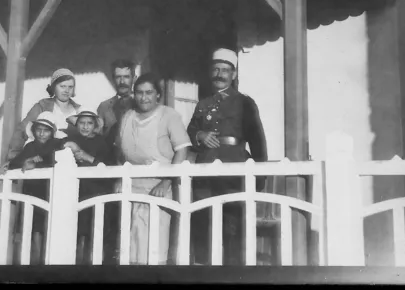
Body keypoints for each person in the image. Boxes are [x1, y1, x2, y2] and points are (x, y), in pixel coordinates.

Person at [186, 48, 268, 266]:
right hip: (205, 172)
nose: (219, 74)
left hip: (234, 171)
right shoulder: (202, 104)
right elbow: (190, 132)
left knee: (233, 228)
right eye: (215, 69)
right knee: (203, 223)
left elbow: (257, 140)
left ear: (233, 75)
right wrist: (200, 135)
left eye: (225, 70)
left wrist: (260, 175)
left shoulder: (244, 102)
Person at [114, 72, 191, 265]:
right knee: (129, 244)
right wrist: (119, 179)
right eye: (139, 93)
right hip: (131, 185)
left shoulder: (169, 115)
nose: (144, 97)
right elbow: (120, 154)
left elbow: (182, 151)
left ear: (158, 94)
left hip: (159, 186)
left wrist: (166, 182)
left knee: (154, 246)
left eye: (149, 92)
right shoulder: (128, 117)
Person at [7, 112, 65, 264]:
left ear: (52, 132)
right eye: (39, 129)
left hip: (49, 191)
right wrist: (27, 161)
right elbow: (16, 163)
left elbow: (55, 161)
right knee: (33, 227)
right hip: (32, 191)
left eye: (46, 130)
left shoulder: (56, 145)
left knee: (48, 226)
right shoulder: (31, 146)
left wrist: (37, 163)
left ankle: (47, 260)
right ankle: (35, 261)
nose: (41, 133)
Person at [63, 109, 117, 264]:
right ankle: (77, 266)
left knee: (96, 230)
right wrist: (71, 145)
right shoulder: (72, 139)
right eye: (81, 123)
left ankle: (94, 267)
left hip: (97, 191)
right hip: (78, 191)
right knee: (78, 231)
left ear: (95, 126)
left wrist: (88, 157)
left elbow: (110, 165)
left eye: (89, 123)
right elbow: (57, 148)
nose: (85, 127)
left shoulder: (102, 142)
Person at [3, 68, 81, 168]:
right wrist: (13, 158)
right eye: (62, 86)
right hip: (45, 160)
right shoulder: (42, 106)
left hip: (72, 161)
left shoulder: (79, 110)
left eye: (70, 87)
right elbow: (22, 130)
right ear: (53, 87)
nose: (66, 90)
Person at [97, 59, 136, 138]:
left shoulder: (140, 104)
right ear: (113, 79)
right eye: (118, 77)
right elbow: (99, 139)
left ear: (134, 79)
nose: (122, 81)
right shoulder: (104, 107)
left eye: (126, 77)